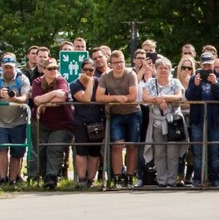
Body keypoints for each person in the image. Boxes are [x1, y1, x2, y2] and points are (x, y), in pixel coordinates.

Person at [96, 50, 142, 189]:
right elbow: (99, 97)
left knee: (132, 145)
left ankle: (129, 176)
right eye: (116, 63)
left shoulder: (130, 74)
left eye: (121, 62)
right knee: (117, 145)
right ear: (110, 64)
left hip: (133, 112)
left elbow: (133, 96)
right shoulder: (105, 76)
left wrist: (123, 98)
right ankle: (117, 177)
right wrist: (116, 98)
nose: (119, 65)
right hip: (116, 114)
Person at [184, 52, 219, 187]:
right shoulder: (194, 78)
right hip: (197, 119)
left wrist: (215, 83)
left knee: (214, 151)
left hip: (214, 119)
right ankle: (197, 179)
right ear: (200, 65)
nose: (207, 68)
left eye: (209, 65)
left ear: (213, 64)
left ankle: (215, 179)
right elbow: (189, 96)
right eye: (205, 65)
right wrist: (195, 85)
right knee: (197, 151)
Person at [141, 56, 186, 188]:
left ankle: (171, 181)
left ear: (170, 70)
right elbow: (145, 97)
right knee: (159, 152)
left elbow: (178, 96)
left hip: (173, 122)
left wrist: (163, 98)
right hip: (157, 123)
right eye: (160, 68)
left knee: (172, 153)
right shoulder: (150, 82)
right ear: (156, 69)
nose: (163, 70)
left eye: (166, 68)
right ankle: (162, 180)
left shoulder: (175, 82)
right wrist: (157, 100)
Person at [30, 58, 73, 189]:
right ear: (43, 70)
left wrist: (45, 103)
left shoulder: (61, 80)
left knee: (54, 147)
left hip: (62, 124)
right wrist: (53, 93)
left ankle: (52, 177)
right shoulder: (37, 82)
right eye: (50, 69)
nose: (53, 71)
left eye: (55, 68)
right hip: (41, 122)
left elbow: (62, 97)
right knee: (41, 149)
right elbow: (37, 100)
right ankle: (45, 176)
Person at [0, 54, 31, 186]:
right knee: (1, 150)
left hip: (18, 121)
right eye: (6, 67)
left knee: (17, 152)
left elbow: (25, 98)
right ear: (2, 67)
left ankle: (13, 179)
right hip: (0, 121)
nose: (8, 70)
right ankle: (2, 178)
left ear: (15, 67)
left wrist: (14, 99)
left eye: (11, 67)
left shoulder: (22, 79)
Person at [69, 57, 104, 188]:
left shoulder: (100, 82)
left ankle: (91, 179)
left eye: (91, 70)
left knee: (94, 152)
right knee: (81, 151)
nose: (88, 72)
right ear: (81, 70)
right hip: (81, 122)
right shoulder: (74, 84)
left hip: (97, 122)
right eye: (86, 70)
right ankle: (82, 178)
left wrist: (93, 81)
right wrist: (89, 82)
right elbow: (86, 98)